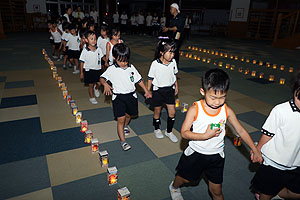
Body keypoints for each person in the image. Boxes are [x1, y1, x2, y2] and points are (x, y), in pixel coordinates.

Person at [168, 68, 263, 200]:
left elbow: (240, 130)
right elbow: (184, 133)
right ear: (203, 91)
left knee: (217, 191)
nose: (217, 102)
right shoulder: (195, 109)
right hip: (196, 153)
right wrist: (205, 136)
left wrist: (255, 149)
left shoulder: (227, 111)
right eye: (213, 97)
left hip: (216, 156)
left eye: (222, 97)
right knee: (184, 179)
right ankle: (173, 187)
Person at [251, 71, 300, 200]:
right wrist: (258, 150)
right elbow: (268, 134)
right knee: (266, 194)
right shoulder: (281, 110)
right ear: (295, 90)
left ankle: (277, 193)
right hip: (274, 162)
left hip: (295, 163)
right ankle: (267, 194)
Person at [100, 43, 151, 151]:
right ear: (114, 57)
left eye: (126, 60)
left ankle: (126, 125)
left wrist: (146, 91)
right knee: (121, 119)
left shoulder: (131, 67)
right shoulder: (112, 69)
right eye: (121, 60)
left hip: (131, 96)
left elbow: (139, 80)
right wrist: (105, 84)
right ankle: (123, 141)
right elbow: (102, 78)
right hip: (118, 97)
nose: (124, 63)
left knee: (130, 115)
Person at [147, 38, 179, 143]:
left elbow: (175, 74)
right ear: (161, 52)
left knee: (172, 113)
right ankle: (157, 129)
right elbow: (150, 78)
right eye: (170, 52)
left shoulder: (173, 62)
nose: (172, 55)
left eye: (173, 52)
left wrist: (176, 86)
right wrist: (148, 91)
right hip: (158, 91)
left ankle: (169, 131)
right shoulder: (155, 64)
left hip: (170, 90)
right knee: (157, 111)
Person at [79, 31, 104, 105]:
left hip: (98, 69)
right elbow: (81, 62)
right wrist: (81, 72)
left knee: (99, 83)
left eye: (95, 39)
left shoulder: (98, 49)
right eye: (91, 39)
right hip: (89, 70)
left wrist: (106, 61)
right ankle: (91, 97)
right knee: (90, 85)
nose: (94, 40)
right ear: (86, 40)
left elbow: (103, 57)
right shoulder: (85, 51)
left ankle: (96, 89)